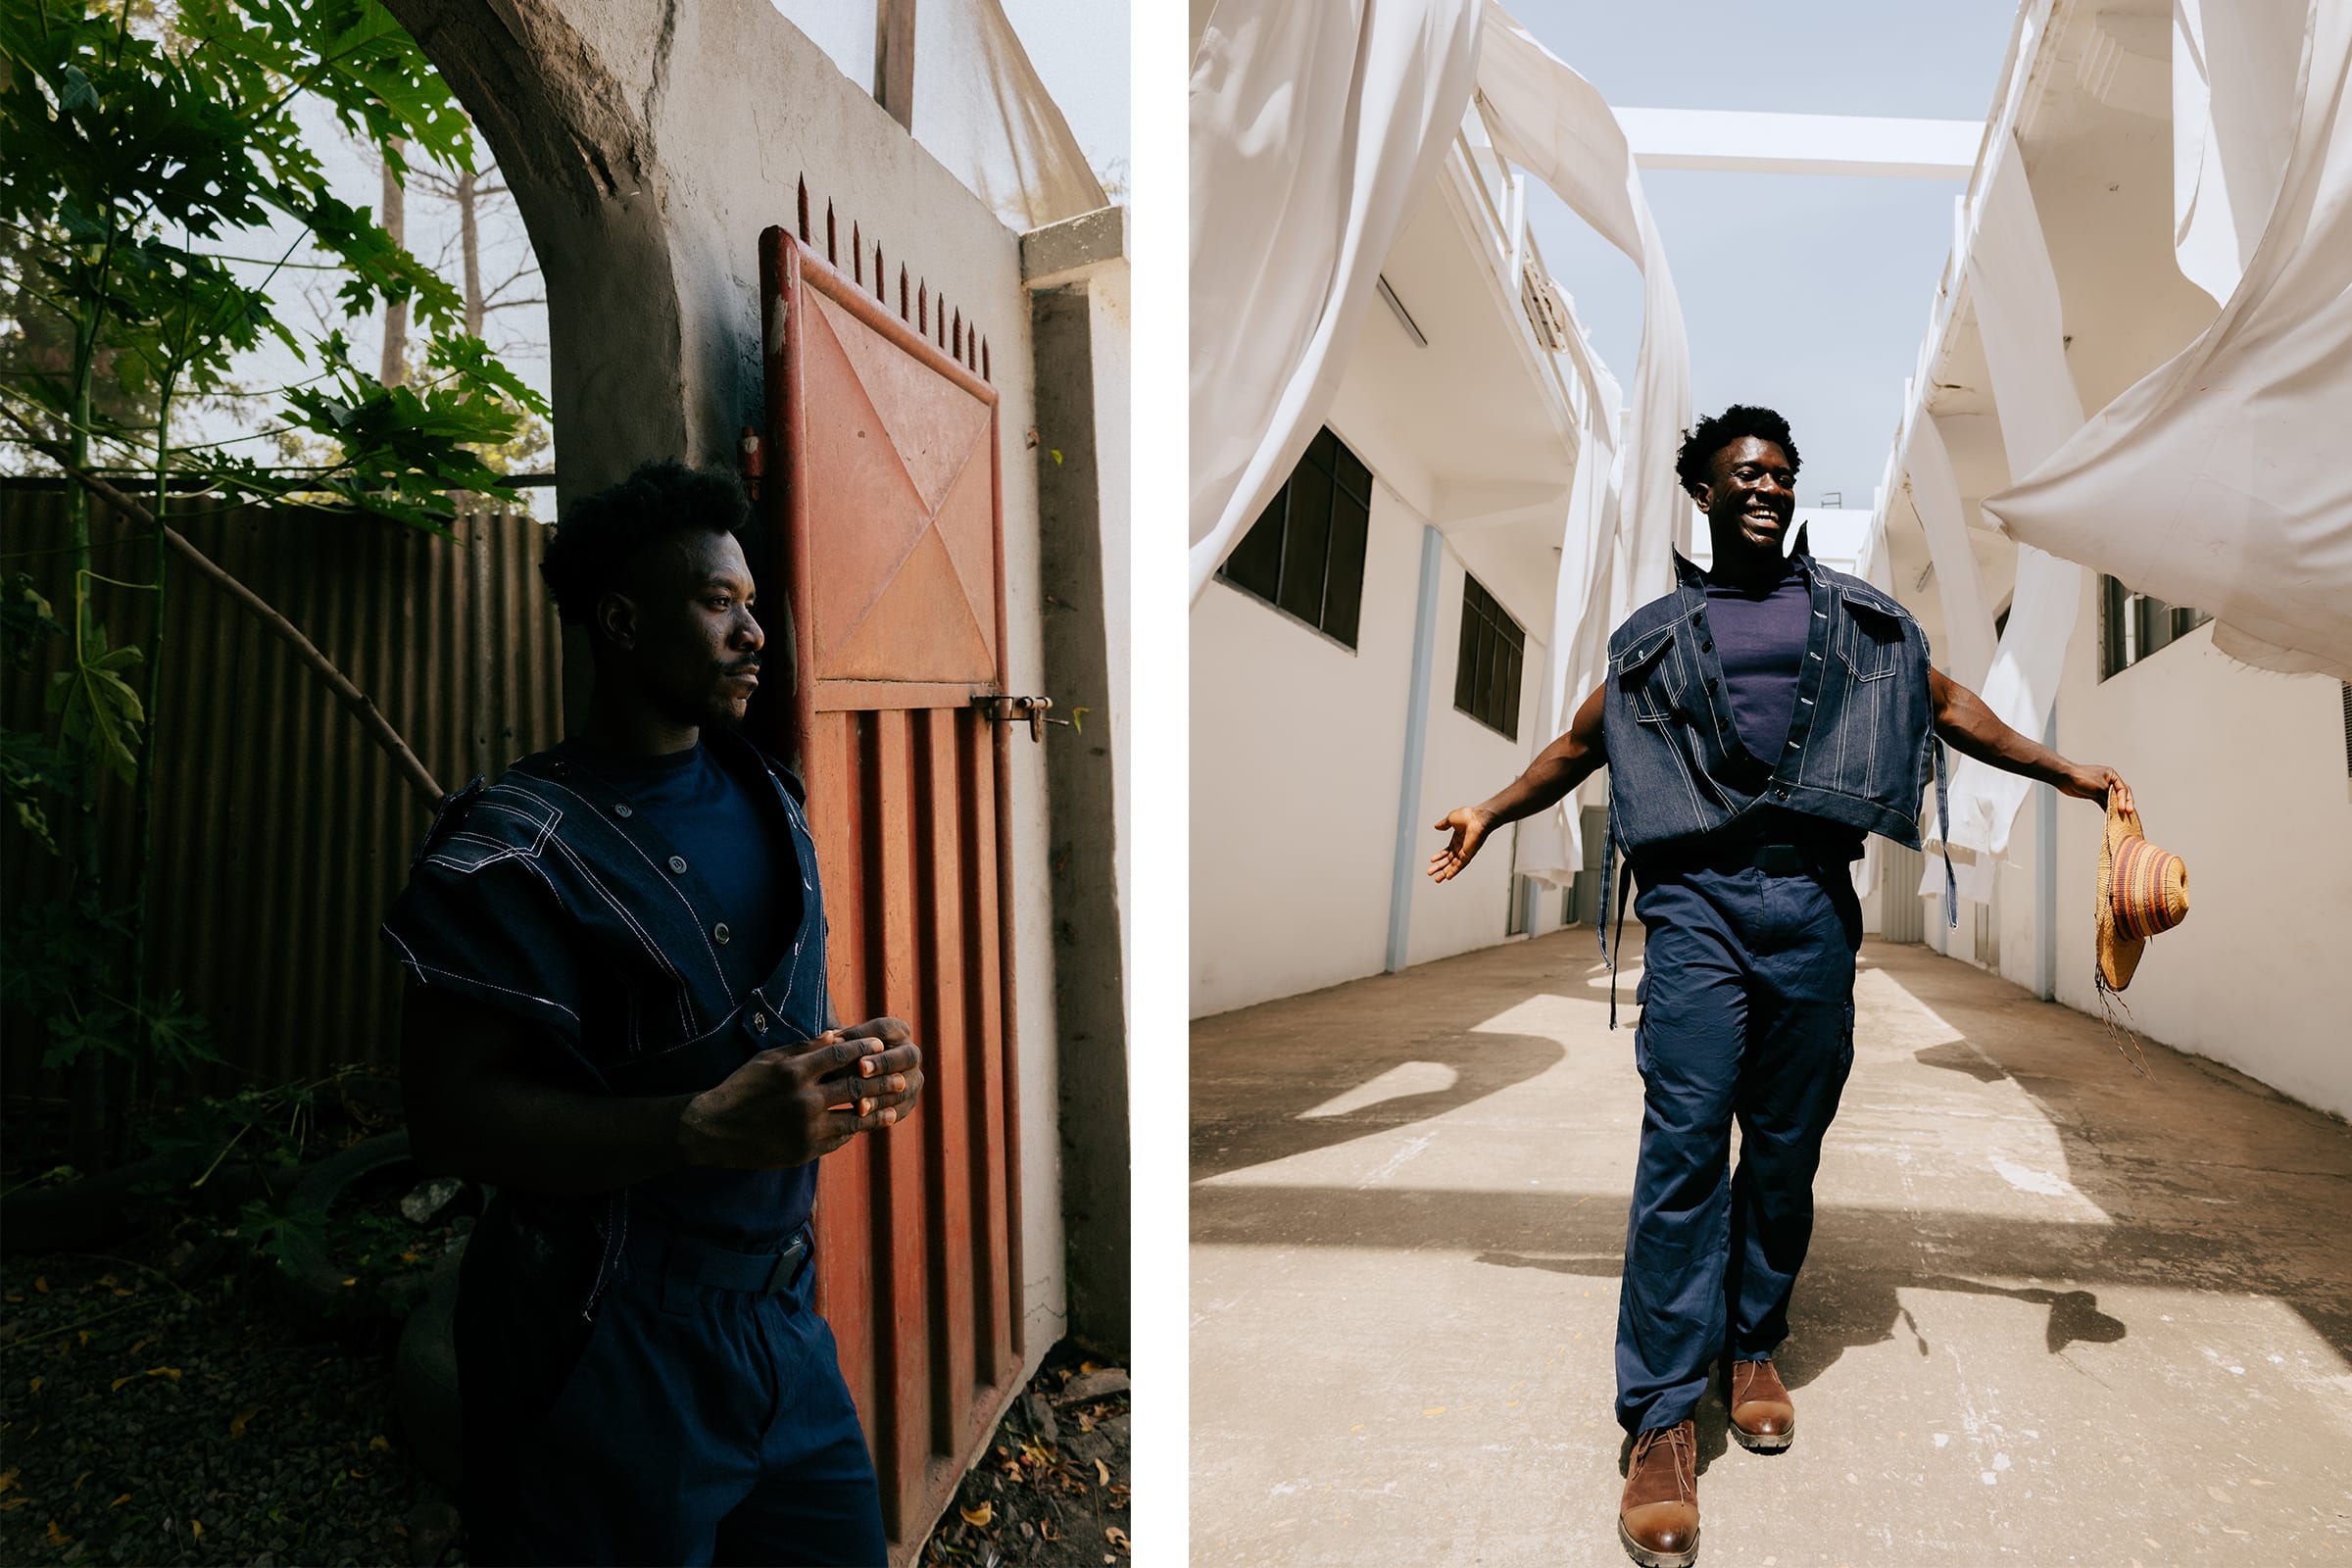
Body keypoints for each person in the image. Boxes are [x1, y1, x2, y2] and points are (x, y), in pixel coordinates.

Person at [1426, 407, 2132, 1568]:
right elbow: (1577, 744)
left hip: (1811, 905)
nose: (1770, 487)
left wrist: (2069, 772)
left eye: (1785, 475)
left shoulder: (1862, 622)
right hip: (1695, 908)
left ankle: (1753, 1344)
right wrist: (1492, 807)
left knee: (1790, 1143)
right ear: (1703, 493)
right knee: (1685, 1146)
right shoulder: (1656, 634)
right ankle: (1659, 1419)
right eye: (1747, 473)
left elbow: (1953, 708)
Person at [380, 460, 922, 1565]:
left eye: (754, 605)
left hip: (782, 1323)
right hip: (607, 1346)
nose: (754, 632)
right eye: (718, 602)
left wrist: (843, 1060)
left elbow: (735, 1029)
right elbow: (446, 1114)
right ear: (621, 623)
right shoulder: (513, 848)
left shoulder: (766, 789)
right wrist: (694, 1128)